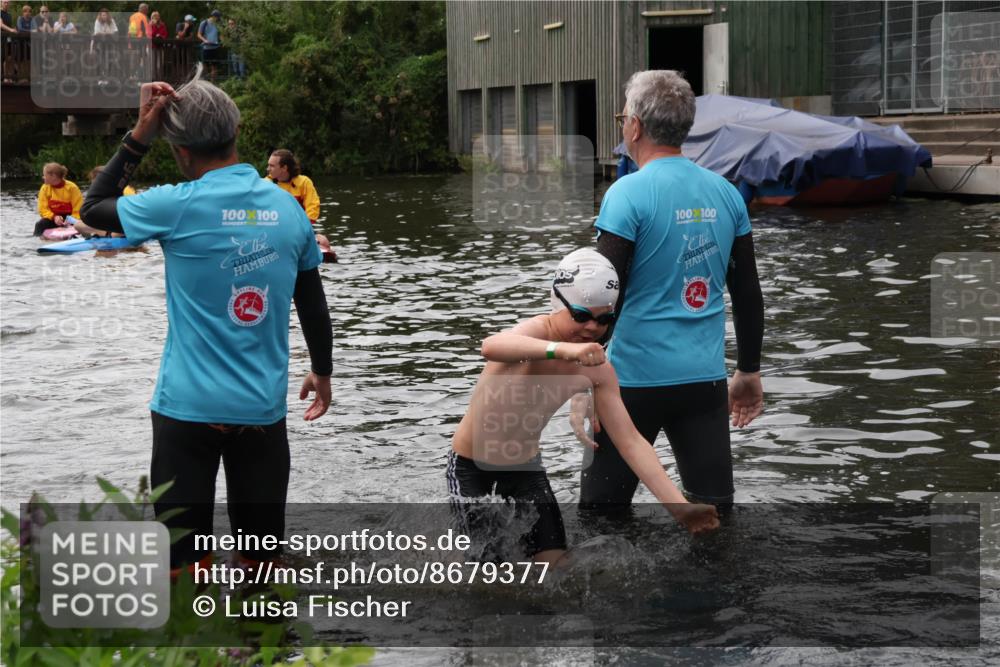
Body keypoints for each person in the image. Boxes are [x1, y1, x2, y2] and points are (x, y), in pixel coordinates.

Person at [81, 66, 333, 572]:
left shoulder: (174, 205)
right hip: (260, 410)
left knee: (181, 565)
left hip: (185, 411)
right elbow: (312, 300)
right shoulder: (288, 210)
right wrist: (322, 372)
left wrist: (138, 136)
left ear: (179, 150)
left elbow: (93, 207)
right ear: (236, 132)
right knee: (261, 565)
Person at [448, 249, 719, 566]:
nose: (592, 327)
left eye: (604, 319)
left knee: (557, 569)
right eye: (581, 315)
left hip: (524, 469)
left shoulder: (597, 369)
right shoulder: (538, 334)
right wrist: (563, 351)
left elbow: (631, 442)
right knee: (487, 572)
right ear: (557, 303)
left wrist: (678, 506)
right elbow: (492, 346)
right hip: (471, 467)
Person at [578, 70, 764, 511]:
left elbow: (604, 297)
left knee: (601, 518)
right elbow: (748, 292)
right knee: (715, 514)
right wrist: (749, 371)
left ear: (635, 126)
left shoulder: (626, 194)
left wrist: (584, 382)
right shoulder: (726, 194)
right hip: (703, 382)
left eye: (623, 116)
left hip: (631, 383)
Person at [265, 149, 335, 262]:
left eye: (271, 166)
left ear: (284, 168)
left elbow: (313, 207)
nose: (268, 169)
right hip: (275, 231)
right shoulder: (265, 184)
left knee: (323, 241)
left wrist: (301, 229)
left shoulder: (304, 182)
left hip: (301, 230)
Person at [72, 166, 133, 238]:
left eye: (94, 182)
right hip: (119, 226)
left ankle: (108, 235)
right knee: (78, 225)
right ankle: (104, 234)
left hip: (125, 227)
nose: (93, 185)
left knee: (79, 225)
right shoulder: (106, 190)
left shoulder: (124, 190)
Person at [34, 162, 82, 236]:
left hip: (70, 219)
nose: (43, 177)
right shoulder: (44, 188)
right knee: (40, 224)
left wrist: (71, 220)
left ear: (53, 176)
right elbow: (42, 209)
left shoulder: (72, 188)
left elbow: (78, 208)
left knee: (77, 225)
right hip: (53, 218)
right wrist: (54, 217)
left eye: (44, 175)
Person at [197, 9, 222, 81]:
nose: (218, 19)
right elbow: (198, 34)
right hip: (206, 48)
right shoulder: (204, 23)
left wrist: (223, 41)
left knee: (214, 66)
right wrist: (205, 40)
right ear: (214, 17)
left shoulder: (217, 24)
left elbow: (220, 34)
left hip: (215, 47)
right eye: (217, 17)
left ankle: (213, 82)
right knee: (205, 66)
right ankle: (206, 81)